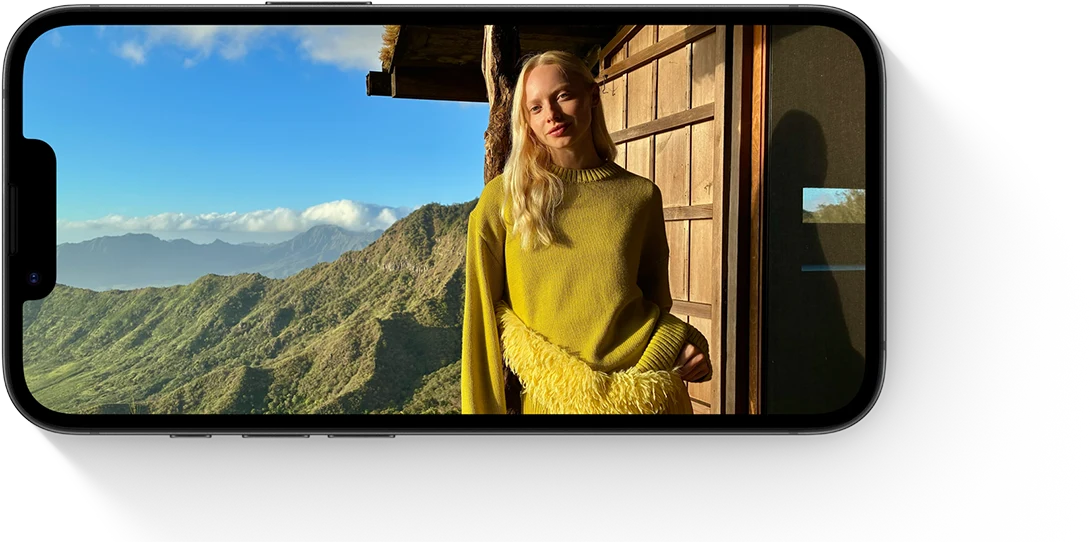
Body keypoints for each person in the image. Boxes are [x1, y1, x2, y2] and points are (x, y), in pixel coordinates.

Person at [461, 50, 712, 415]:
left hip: (646, 397)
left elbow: (656, 303)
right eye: (535, 108)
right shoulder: (505, 198)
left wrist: (679, 343)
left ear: (593, 96)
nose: (551, 114)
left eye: (563, 96)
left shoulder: (640, 195)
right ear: (526, 121)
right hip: (553, 404)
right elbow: (479, 320)